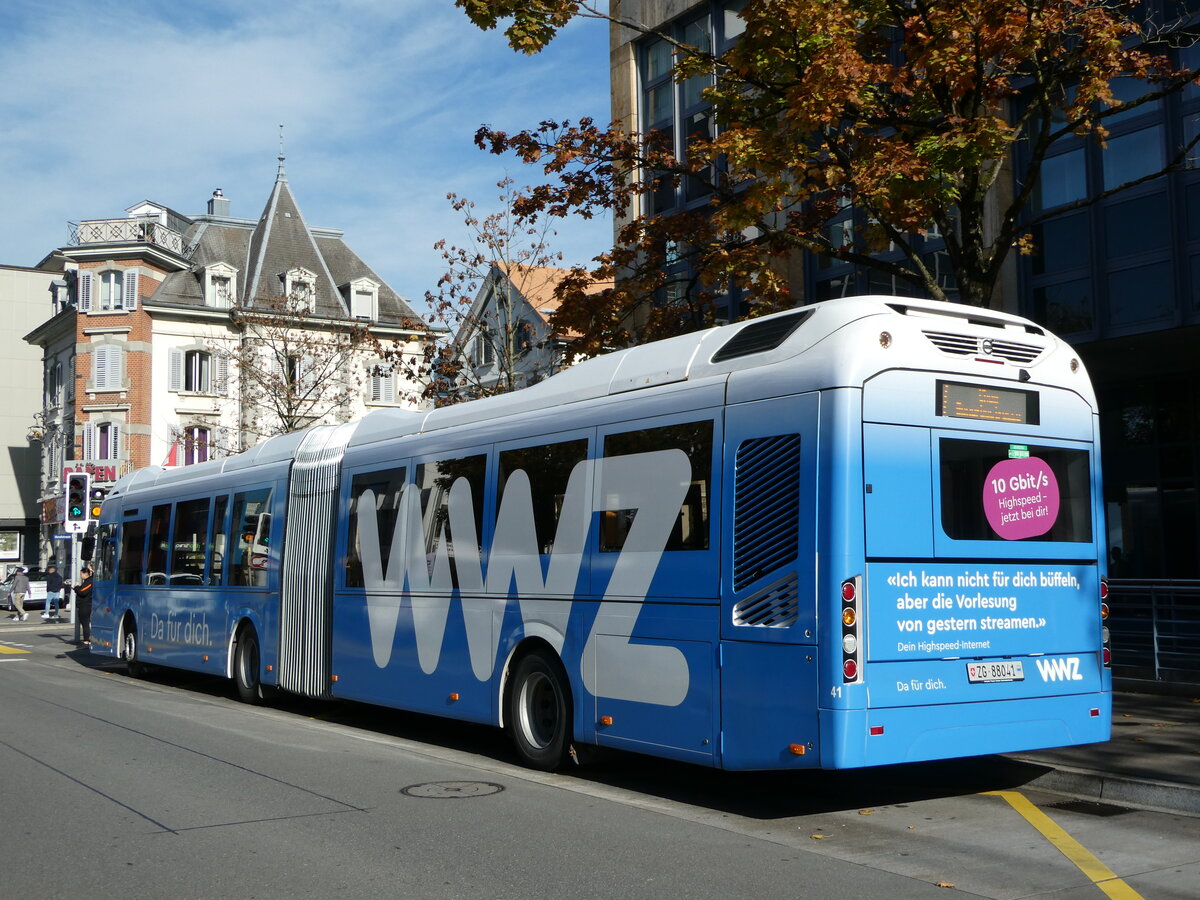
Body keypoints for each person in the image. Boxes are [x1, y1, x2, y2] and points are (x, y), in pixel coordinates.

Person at [75, 566, 94, 645]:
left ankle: (86, 640)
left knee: (85, 623)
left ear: (85, 574)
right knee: (84, 623)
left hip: (85, 605)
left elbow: (83, 592)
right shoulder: (87, 581)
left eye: (81, 574)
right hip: (84, 604)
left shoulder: (89, 582)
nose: (80, 575)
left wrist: (76, 588)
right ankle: (87, 639)